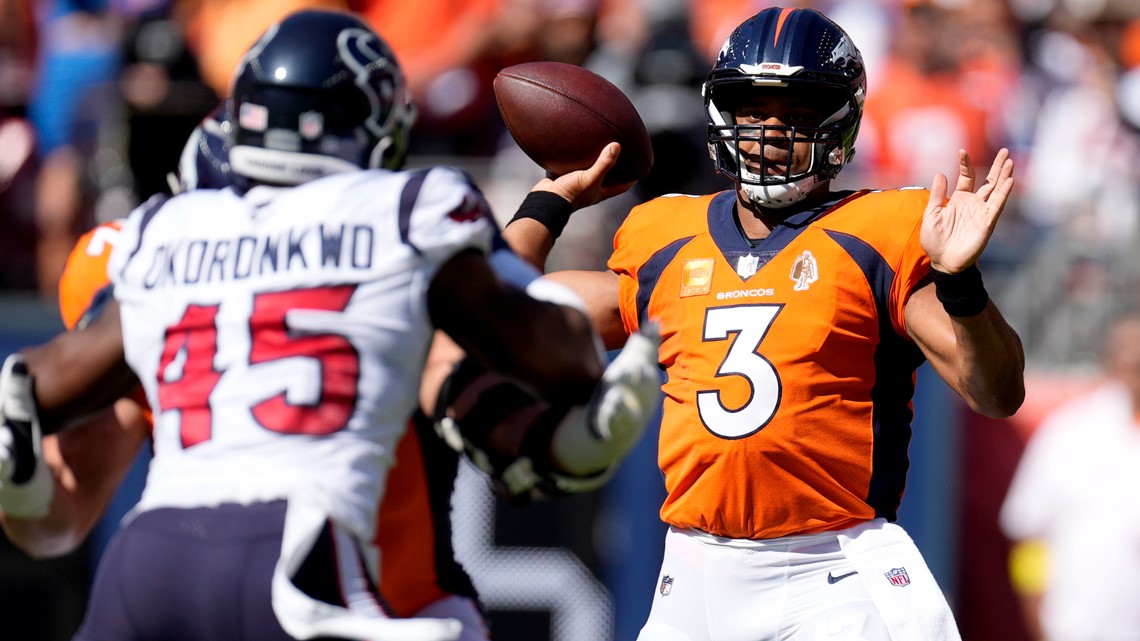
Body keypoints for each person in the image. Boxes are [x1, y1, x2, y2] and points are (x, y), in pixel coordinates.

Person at [0, 9, 660, 641]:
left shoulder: (158, 235)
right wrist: (565, 425)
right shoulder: (401, 213)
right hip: (312, 549)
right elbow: (512, 340)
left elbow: (46, 405)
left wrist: (19, 452)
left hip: (150, 559)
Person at [502, 6, 1025, 641]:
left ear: (841, 121)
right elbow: (508, 309)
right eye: (752, 108)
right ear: (721, 113)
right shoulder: (665, 234)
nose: (772, 130)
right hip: (694, 569)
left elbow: (996, 394)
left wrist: (960, 282)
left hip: (836, 571)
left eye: (798, 109)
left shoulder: (877, 233)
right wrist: (551, 198)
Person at [1000, 313, 1140, 641]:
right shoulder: (1069, 433)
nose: (1135, 360)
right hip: (1078, 629)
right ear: (1110, 359)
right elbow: (1028, 534)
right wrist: (1038, 621)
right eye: (1127, 351)